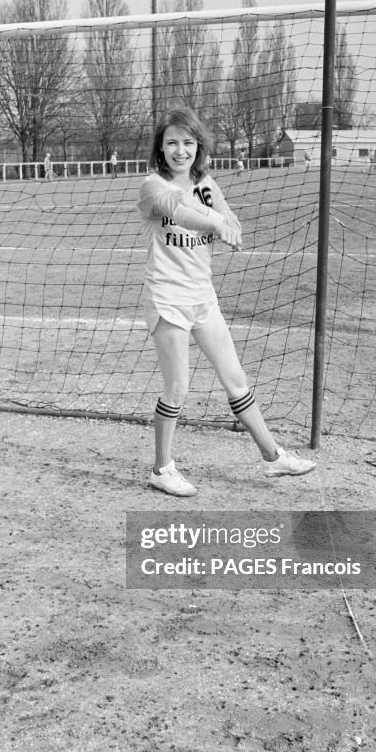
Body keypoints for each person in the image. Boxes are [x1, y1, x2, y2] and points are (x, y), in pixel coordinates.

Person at [138, 106, 316, 496]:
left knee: (235, 378)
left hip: (203, 297)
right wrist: (218, 223)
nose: (179, 151)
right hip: (168, 297)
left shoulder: (206, 182)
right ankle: (162, 469)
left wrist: (228, 224)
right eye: (171, 143)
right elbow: (180, 213)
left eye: (187, 143)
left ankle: (273, 457)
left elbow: (229, 218)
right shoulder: (153, 185)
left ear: (198, 146)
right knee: (178, 388)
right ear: (161, 147)